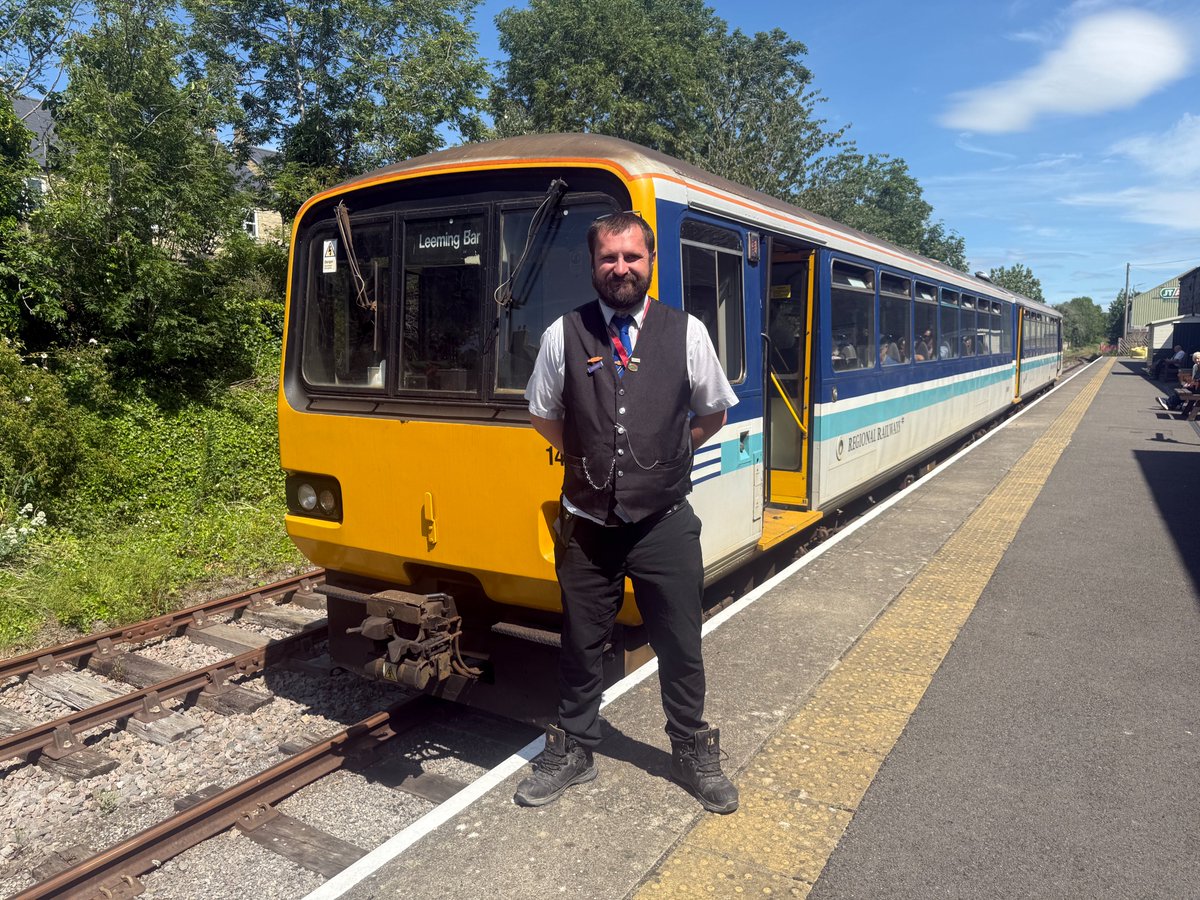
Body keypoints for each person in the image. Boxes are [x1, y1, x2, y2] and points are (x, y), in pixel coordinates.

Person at [518, 212, 740, 814]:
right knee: (582, 641)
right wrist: (587, 457)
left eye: (631, 257)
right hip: (587, 522)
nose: (620, 268)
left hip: (664, 519)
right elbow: (543, 414)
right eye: (609, 258)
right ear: (593, 265)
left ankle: (691, 747)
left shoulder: (686, 331)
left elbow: (713, 409)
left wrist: (671, 453)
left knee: (679, 639)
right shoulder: (564, 334)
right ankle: (574, 750)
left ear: (650, 264)